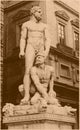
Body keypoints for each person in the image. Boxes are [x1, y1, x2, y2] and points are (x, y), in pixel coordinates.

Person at [19, 5, 51, 104]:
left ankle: (41, 93)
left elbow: (48, 39)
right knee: (28, 70)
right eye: (39, 12)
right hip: (30, 46)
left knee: (41, 69)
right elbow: (23, 38)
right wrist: (21, 50)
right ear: (33, 13)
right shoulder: (26, 24)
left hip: (41, 47)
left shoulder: (44, 26)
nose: (41, 14)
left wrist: (46, 51)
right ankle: (27, 95)